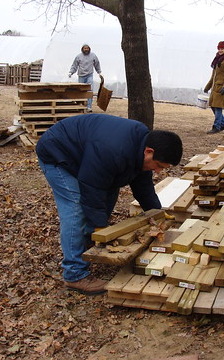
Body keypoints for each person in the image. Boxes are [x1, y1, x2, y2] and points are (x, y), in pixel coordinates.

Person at [36, 114, 183, 295]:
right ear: (148, 151)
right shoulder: (113, 149)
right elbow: (91, 186)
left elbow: (143, 186)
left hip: (88, 158)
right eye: (159, 165)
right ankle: (74, 274)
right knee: (76, 209)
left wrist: (156, 213)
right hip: (58, 154)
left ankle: (88, 247)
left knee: (107, 196)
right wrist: (98, 226)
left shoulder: (140, 146)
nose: (159, 171)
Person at [203, 41, 224, 134]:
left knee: (218, 107)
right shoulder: (217, 60)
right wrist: (207, 87)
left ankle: (216, 127)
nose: (220, 50)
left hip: (222, 88)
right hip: (215, 88)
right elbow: (213, 76)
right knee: (213, 106)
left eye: (222, 49)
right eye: (219, 48)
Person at [68, 44, 102, 112]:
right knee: (81, 91)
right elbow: (75, 65)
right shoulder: (78, 56)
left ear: (89, 49)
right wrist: (71, 72)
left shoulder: (93, 56)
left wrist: (99, 72)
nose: (86, 49)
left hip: (89, 75)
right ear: (82, 49)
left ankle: (89, 107)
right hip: (81, 76)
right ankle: (81, 105)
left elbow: (97, 64)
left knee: (89, 91)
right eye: (84, 48)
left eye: (87, 48)